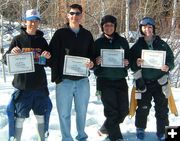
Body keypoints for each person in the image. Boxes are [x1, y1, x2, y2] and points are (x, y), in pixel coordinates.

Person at [4, 9, 52, 141]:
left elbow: (49, 62)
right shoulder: (18, 39)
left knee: (41, 116)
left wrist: (47, 57)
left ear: (38, 22)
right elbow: (5, 60)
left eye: (36, 20)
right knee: (19, 118)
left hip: (39, 87)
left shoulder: (42, 41)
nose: (33, 23)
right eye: (30, 21)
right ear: (25, 22)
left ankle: (42, 138)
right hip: (22, 87)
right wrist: (11, 53)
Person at [48, 4, 94, 141]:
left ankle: (81, 136)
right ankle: (66, 138)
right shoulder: (60, 34)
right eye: (72, 13)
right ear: (68, 15)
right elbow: (52, 56)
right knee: (64, 114)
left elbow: (92, 55)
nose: (75, 16)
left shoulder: (87, 35)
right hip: (64, 81)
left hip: (82, 81)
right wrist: (57, 78)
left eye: (78, 13)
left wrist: (92, 63)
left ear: (81, 15)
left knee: (82, 112)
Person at [130, 17, 174, 141]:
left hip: (160, 82)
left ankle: (162, 132)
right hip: (143, 83)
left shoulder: (161, 43)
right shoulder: (137, 45)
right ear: (141, 29)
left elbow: (171, 59)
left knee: (162, 109)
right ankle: (140, 128)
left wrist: (168, 66)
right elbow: (131, 64)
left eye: (150, 27)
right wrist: (136, 63)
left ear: (153, 29)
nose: (147, 29)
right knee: (143, 108)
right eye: (144, 27)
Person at [93, 15, 130, 141]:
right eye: (106, 25)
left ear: (115, 27)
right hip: (104, 81)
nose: (109, 27)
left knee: (124, 110)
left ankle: (105, 128)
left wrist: (127, 62)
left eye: (111, 25)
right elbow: (91, 63)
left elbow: (129, 58)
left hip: (120, 79)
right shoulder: (97, 43)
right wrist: (95, 62)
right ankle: (116, 137)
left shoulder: (123, 41)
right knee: (112, 111)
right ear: (102, 26)